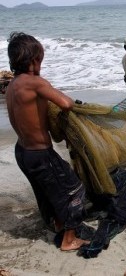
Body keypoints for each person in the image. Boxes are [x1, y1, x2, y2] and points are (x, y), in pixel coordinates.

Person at [6, 32, 89, 251]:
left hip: (22, 152)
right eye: (40, 59)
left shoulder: (12, 86)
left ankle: (58, 224)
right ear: (33, 61)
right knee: (75, 191)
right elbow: (66, 103)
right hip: (40, 154)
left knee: (45, 190)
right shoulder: (35, 83)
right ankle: (69, 240)